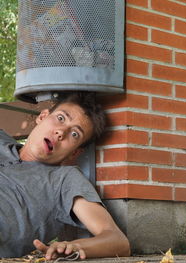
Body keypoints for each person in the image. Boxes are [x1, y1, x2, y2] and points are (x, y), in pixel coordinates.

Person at [0, 92, 130, 259]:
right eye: (61, 118)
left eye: (75, 134)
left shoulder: (63, 180)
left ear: (74, 152)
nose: (61, 132)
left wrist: (75, 246)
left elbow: (117, 241)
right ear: (43, 116)